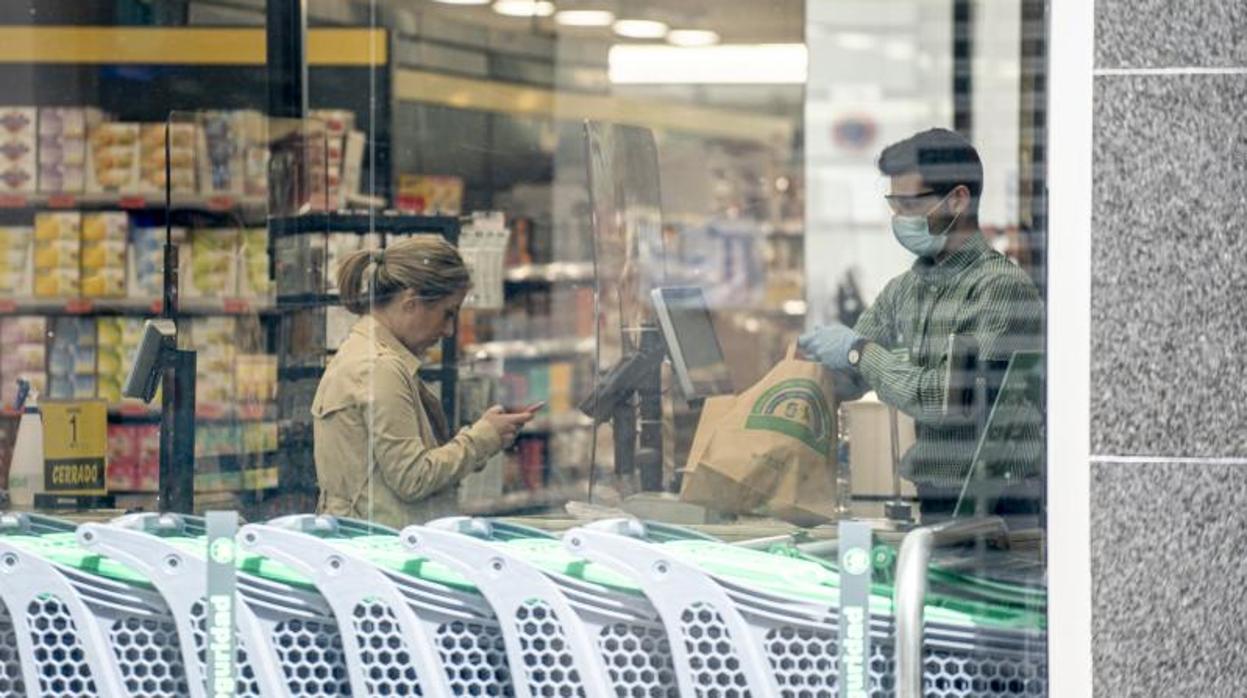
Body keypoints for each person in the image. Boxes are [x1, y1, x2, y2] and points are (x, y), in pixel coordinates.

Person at [800, 128, 1044, 526]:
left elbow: (944, 402)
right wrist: (813, 364)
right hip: (936, 500)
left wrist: (859, 351)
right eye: (893, 204)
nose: (899, 219)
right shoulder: (907, 289)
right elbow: (852, 372)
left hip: (999, 509)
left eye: (910, 205)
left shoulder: (1000, 288)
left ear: (958, 200)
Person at [313, 236, 537, 529]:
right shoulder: (380, 368)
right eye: (448, 313)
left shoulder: (365, 355)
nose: (448, 330)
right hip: (386, 550)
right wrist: (482, 438)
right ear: (411, 303)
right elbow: (412, 478)